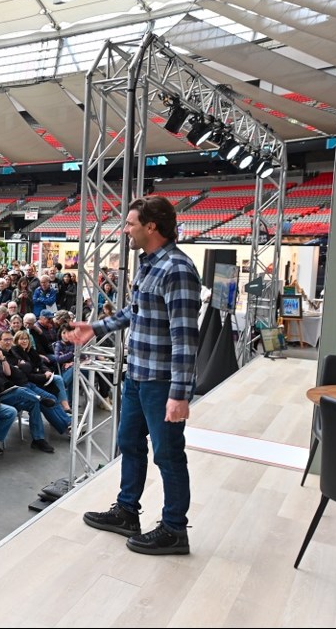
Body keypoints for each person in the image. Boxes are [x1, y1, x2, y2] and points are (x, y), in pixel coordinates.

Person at [67, 195, 201, 556]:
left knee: (169, 455)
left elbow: (185, 338)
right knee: (128, 444)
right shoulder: (148, 264)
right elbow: (135, 311)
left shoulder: (178, 269)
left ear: (151, 227)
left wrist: (180, 394)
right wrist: (96, 328)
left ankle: (174, 529)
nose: (125, 229)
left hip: (161, 385)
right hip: (137, 376)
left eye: (130, 224)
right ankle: (127, 511)